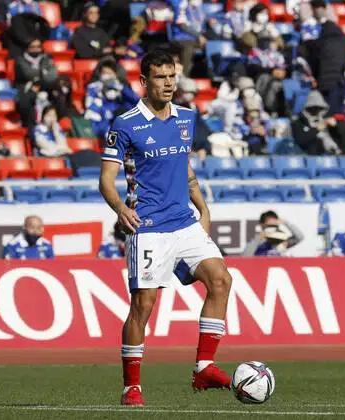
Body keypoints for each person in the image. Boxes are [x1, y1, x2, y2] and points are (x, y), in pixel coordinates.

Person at [99, 50, 233, 407]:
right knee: (143, 304)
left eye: (172, 76)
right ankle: (131, 386)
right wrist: (120, 208)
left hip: (184, 222)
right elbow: (106, 180)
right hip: (148, 227)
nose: (169, 83)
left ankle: (204, 368)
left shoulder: (186, 118)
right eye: (161, 77)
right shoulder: (125, 124)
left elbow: (184, 169)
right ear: (145, 82)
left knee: (221, 280)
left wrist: (203, 207)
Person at [302, 0, 345, 97]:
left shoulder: (331, 26)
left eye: (321, 7)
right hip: (320, 66)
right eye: (317, 8)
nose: (319, 10)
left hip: (327, 69)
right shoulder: (309, 25)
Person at [292, 90, 343, 155]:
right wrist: (316, 129)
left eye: (319, 108)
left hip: (332, 153)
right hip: (310, 154)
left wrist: (336, 126)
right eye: (312, 107)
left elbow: (341, 137)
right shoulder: (300, 121)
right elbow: (300, 140)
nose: (315, 110)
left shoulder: (325, 119)